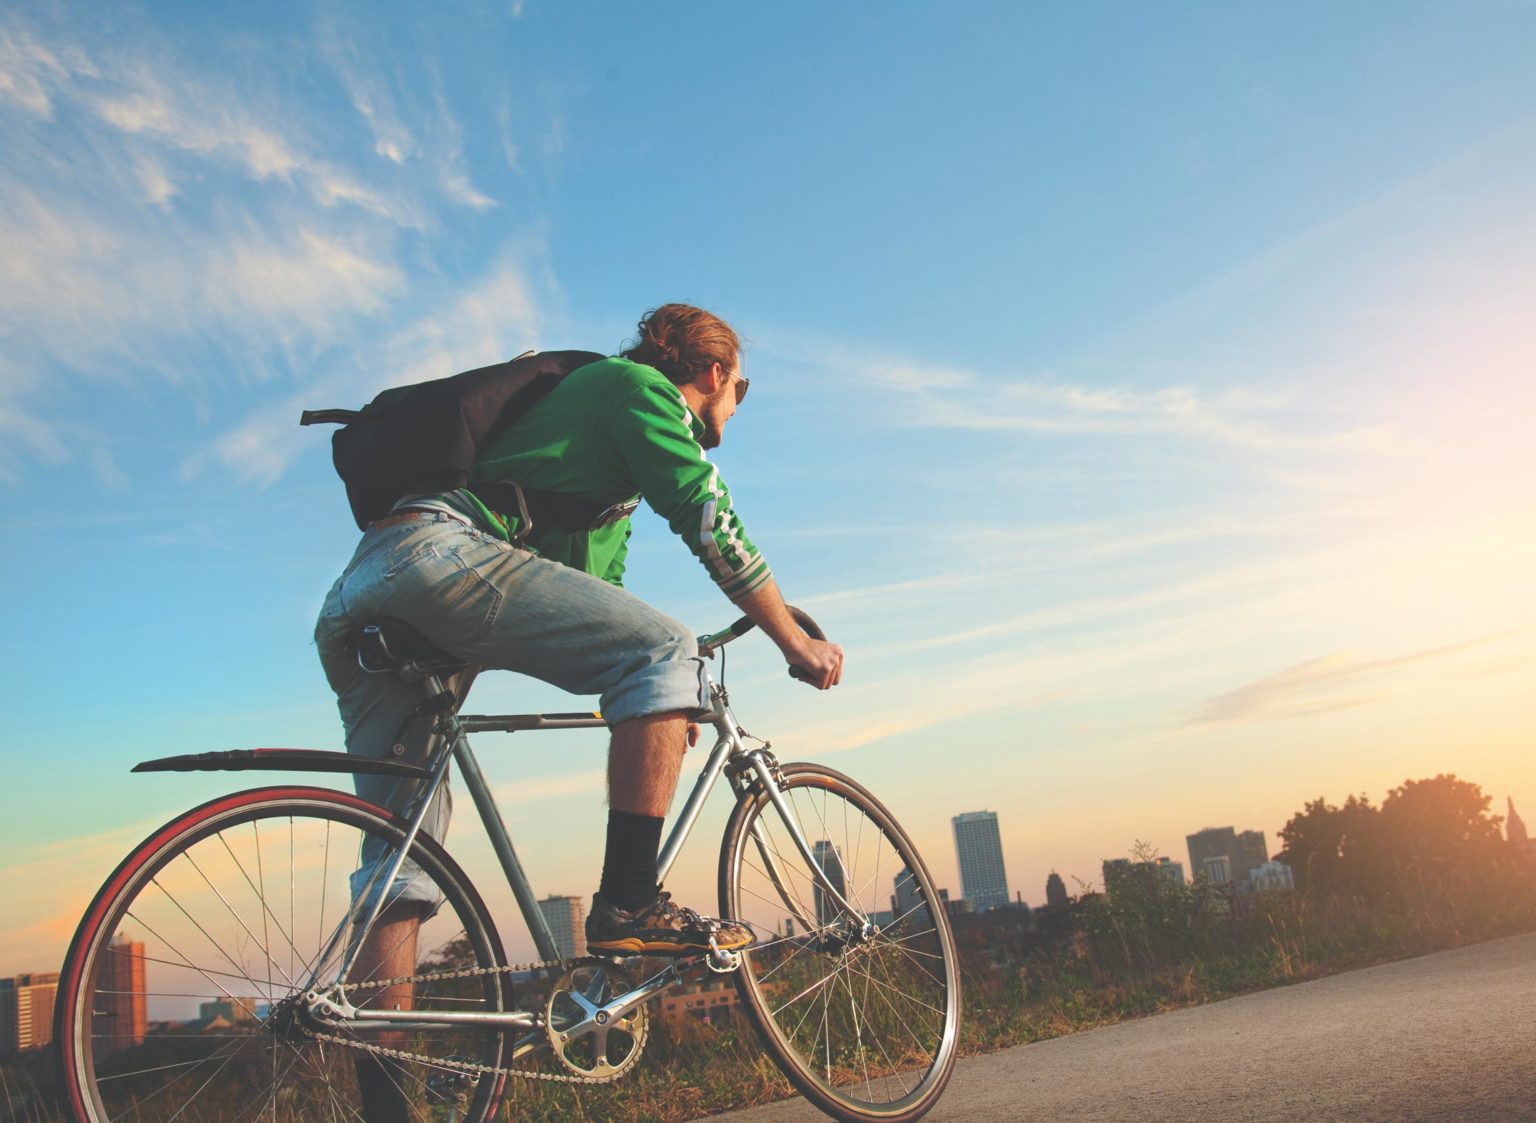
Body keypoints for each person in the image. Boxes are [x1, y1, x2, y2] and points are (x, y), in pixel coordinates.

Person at [313, 302, 843, 1013]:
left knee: (397, 861)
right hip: (441, 554)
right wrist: (793, 639)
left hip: (364, 587)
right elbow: (708, 516)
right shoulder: (640, 390)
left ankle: (382, 1090)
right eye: (740, 390)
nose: (736, 406)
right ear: (715, 374)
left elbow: (593, 598)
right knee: (668, 646)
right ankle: (629, 906)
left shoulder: (597, 462)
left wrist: (662, 700)